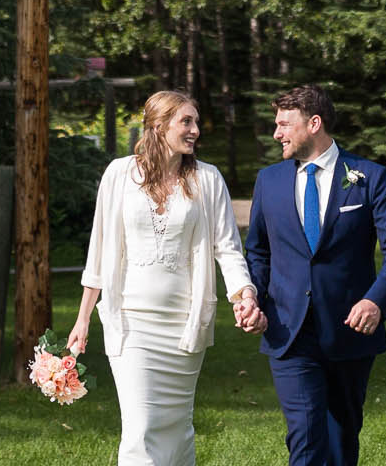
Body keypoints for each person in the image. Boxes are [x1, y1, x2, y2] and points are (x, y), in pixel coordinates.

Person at [67, 90, 263, 466]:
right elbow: (100, 248)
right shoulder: (119, 174)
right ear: (158, 126)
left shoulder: (207, 179)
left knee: (176, 431)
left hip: (184, 327)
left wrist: (244, 295)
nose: (195, 130)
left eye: (196, 122)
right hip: (131, 324)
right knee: (141, 429)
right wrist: (83, 318)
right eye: (186, 122)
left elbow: (227, 247)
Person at [244, 84, 386, 466]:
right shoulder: (268, 182)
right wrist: (251, 295)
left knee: (342, 439)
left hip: (350, 331)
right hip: (288, 330)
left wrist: (375, 300)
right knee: (305, 435)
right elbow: (257, 250)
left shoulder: (370, 177)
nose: (277, 134)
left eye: (284, 124)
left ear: (314, 123)